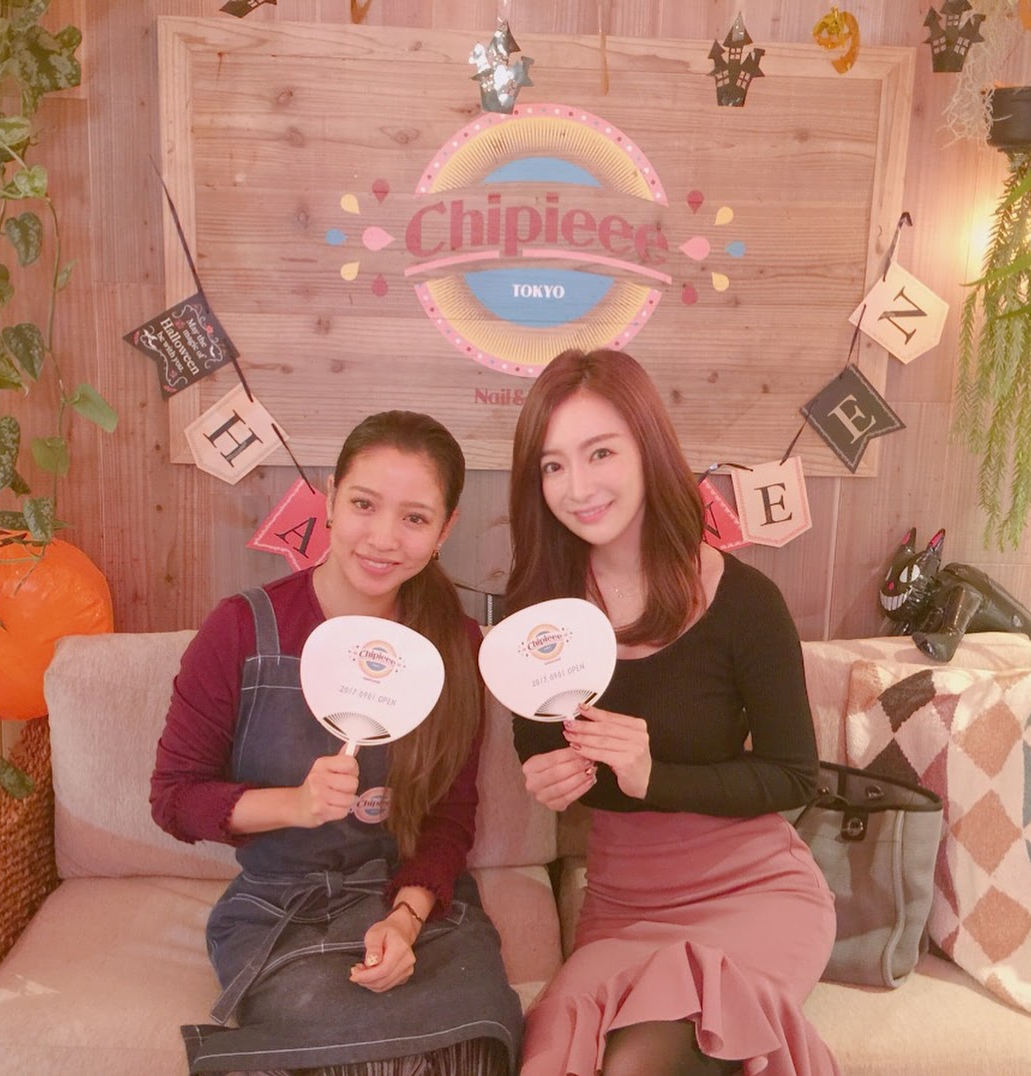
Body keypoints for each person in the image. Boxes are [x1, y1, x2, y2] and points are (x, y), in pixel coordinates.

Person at [150, 410, 522, 1076]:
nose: (382, 539)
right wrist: (291, 805)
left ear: (445, 529)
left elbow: (448, 820)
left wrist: (406, 921)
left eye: (414, 518)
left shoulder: (456, 646)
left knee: (472, 1053)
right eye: (363, 505)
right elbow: (174, 800)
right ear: (329, 499)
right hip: (279, 908)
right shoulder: (241, 629)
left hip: (409, 902)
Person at [505, 349, 839, 1076]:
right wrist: (548, 777)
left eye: (600, 453)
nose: (578, 487)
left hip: (753, 892)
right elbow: (539, 748)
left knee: (644, 1059)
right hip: (623, 904)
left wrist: (654, 775)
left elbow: (793, 777)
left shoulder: (745, 603)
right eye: (554, 465)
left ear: (648, 450)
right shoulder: (536, 614)